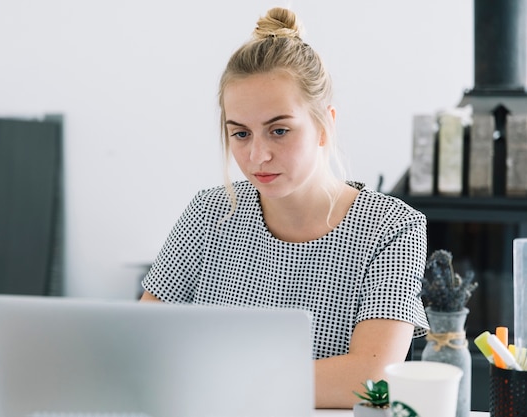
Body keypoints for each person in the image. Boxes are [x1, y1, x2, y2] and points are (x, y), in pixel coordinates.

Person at [140, 6, 429, 409]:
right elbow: (141, 344)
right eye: (240, 133)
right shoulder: (209, 213)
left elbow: (370, 377)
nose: (258, 156)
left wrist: (216, 376)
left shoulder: (392, 227)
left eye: (279, 130)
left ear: (325, 125)